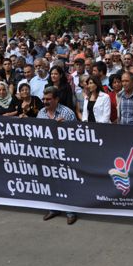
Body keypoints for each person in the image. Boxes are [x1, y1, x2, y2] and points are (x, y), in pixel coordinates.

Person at [37, 86, 78, 225]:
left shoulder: (67, 113)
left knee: (67, 182)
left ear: (56, 99)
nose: (45, 102)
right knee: (51, 181)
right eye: (44, 99)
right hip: (46, 153)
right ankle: (53, 208)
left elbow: (77, 134)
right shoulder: (41, 113)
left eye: (48, 99)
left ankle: (71, 211)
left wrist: (65, 126)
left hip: (64, 154)